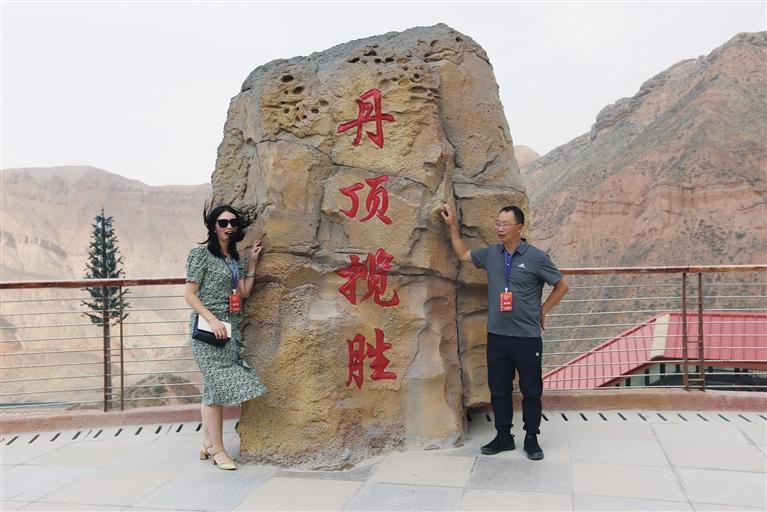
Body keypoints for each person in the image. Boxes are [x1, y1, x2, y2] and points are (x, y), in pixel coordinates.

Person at [441, 203, 569, 460]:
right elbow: (464, 254)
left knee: (531, 390)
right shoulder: (491, 254)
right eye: (497, 223)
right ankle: (504, 437)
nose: (499, 228)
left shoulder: (536, 257)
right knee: (499, 389)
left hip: (527, 337)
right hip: (498, 335)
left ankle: (531, 438)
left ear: (519, 228)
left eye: (505, 224)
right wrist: (452, 227)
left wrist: (543, 310)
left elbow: (562, 285)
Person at [184, 203, 267, 470]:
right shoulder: (200, 255)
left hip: (230, 329)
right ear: (213, 226)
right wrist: (212, 319)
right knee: (217, 388)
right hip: (207, 330)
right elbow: (189, 295)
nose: (229, 227)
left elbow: (243, 291)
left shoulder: (234, 259)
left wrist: (252, 262)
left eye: (233, 223)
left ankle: (207, 443)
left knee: (212, 387)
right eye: (223, 223)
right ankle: (219, 451)